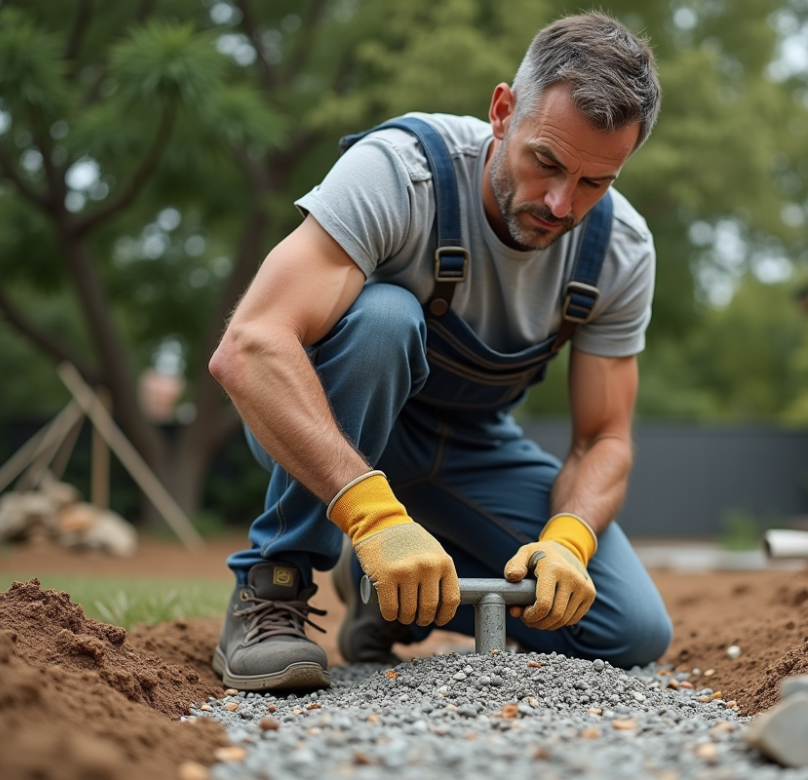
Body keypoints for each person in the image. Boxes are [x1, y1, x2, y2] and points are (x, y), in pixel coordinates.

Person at [208, 11, 673, 692]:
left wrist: (569, 539)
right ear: (503, 110)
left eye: (595, 182)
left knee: (629, 629)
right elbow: (250, 347)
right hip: (335, 419)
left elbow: (603, 438)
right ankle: (271, 588)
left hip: (471, 449)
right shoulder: (401, 172)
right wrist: (373, 515)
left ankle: (385, 592)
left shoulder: (619, 250)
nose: (559, 202)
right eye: (545, 161)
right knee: (385, 318)